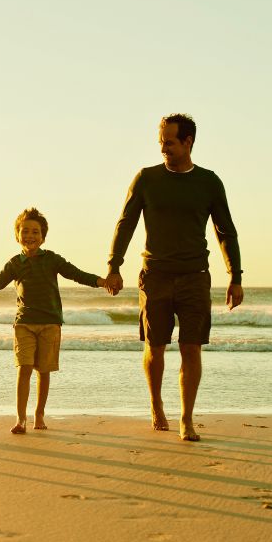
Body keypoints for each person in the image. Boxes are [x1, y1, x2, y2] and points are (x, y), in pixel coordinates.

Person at [105, 114, 244, 442]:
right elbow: (125, 223)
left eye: (169, 142)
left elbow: (225, 231)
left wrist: (235, 275)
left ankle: (186, 417)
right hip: (155, 276)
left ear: (188, 142)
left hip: (195, 276)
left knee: (191, 347)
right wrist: (114, 265)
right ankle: (156, 404)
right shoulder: (146, 179)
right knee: (155, 347)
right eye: (160, 142)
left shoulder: (209, 182)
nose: (163, 148)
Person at [0, 208, 110, 434]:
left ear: (43, 236)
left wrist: (102, 281)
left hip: (50, 323)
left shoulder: (52, 259)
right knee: (24, 368)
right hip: (24, 323)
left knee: (43, 371)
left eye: (35, 232)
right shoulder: (15, 263)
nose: (30, 236)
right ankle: (20, 418)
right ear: (17, 235)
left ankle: (39, 414)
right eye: (25, 231)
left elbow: (77, 274)